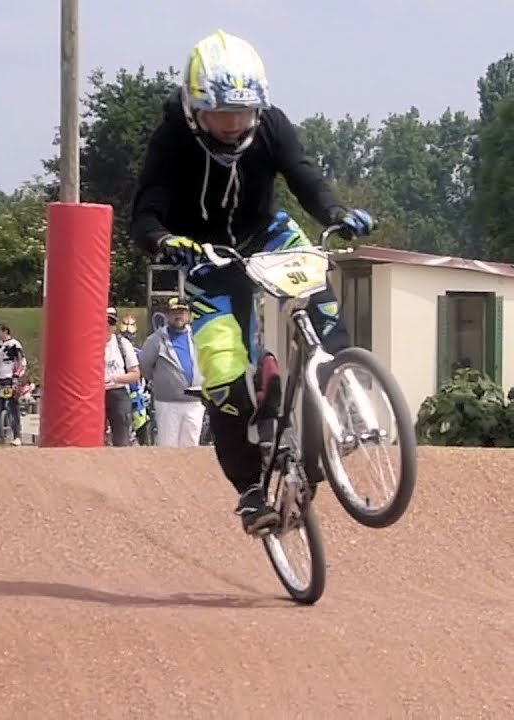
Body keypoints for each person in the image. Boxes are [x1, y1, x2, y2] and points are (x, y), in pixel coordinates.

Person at [130, 29, 375, 534]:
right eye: (221, 115)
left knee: (321, 301)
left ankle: (339, 398)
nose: (232, 126)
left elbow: (304, 176)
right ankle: (249, 488)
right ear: (196, 109)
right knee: (222, 371)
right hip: (206, 257)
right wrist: (163, 241)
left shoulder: (273, 127)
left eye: (242, 114)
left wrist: (335, 212)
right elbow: (146, 209)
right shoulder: (172, 137)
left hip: (267, 234)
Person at [139, 297, 206, 447]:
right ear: (167, 315)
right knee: (168, 447)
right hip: (168, 402)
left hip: (195, 402)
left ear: (188, 315)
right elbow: (145, 366)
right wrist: (163, 382)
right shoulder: (155, 340)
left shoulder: (198, 336)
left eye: (182, 312)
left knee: (192, 446)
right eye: (174, 312)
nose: (178, 316)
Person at [104, 307, 141, 446]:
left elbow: (135, 374)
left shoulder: (122, 344)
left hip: (117, 392)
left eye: (111, 323)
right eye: (104, 322)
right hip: (95, 394)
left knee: (121, 436)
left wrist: (116, 378)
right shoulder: (89, 343)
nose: (107, 326)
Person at [0, 324, 27, 446]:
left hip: (10, 379)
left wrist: (16, 376)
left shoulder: (14, 345)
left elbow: (22, 362)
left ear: (5, 331)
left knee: (12, 407)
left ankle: (17, 435)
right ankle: (0, 436)